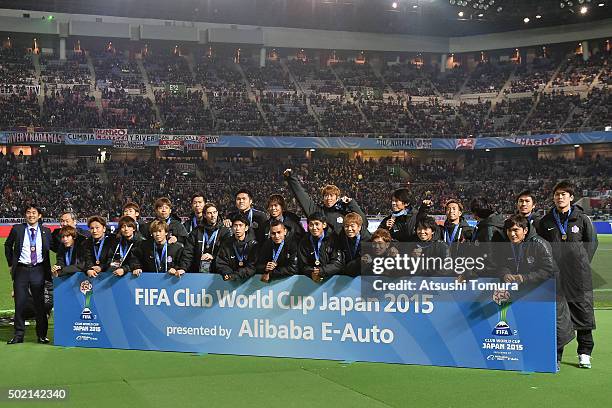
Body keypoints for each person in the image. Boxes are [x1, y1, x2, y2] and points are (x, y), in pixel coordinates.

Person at [537, 180, 598, 369]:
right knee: (557, 315)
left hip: (579, 277)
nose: (560, 197)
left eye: (564, 194)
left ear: (571, 197)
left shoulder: (582, 218)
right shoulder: (545, 221)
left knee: (583, 312)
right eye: (557, 194)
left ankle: (584, 353)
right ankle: (556, 354)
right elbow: (541, 247)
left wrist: (580, 264)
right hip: (555, 276)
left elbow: (592, 243)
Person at [501, 214, 574, 370]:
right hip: (529, 294)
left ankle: (556, 359)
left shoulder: (540, 244)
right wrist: (505, 273)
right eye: (508, 230)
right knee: (534, 326)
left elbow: (550, 270)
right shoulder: (511, 245)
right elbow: (504, 263)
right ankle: (534, 357)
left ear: (525, 230)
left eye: (515, 230)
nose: (512, 234)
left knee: (555, 326)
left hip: (550, 293)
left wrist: (524, 277)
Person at [4, 205, 52, 344]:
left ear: (39, 216)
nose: (31, 215)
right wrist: (10, 263)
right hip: (21, 270)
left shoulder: (46, 231)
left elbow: (55, 247)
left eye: (34, 212)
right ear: (25, 215)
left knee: (40, 304)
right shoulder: (17, 229)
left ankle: (42, 335)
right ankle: (18, 336)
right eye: (28, 212)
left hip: (38, 270)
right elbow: (7, 245)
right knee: (20, 303)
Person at [284, 168, 368, 235]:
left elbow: (364, 223)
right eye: (326, 195)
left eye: (331, 195)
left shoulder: (344, 213)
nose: (328, 198)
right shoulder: (316, 211)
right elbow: (302, 196)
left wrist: (351, 203)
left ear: (337, 197)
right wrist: (291, 178)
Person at [182, 202, 232, 273]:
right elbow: (188, 252)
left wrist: (213, 256)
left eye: (214, 212)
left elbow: (226, 252)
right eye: (209, 213)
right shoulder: (196, 231)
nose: (213, 215)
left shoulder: (225, 231)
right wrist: (183, 268)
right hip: (198, 271)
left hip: (218, 272)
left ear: (217, 213)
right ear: (204, 215)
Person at [297, 212, 344, 283]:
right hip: (313, 280)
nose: (314, 228)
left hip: (333, 282)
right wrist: (312, 272)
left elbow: (338, 263)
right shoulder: (304, 241)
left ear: (324, 225)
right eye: (311, 225)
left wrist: (322, 271)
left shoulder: (333, 239)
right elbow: (303, 265)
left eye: (317, 224)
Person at [216, 214, 258, 281]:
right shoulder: (226, 244)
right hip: (230, 281)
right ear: (232, 228)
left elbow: (253, 266)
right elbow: (221, 262)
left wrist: (236, 275)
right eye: (235, 225)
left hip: (249, 283)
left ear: (246, 228)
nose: (238, 228)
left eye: (241, 225)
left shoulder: (253, 245)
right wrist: (227, 273)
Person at [338, 212, 372, 276]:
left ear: (359, 227)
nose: (349, 229)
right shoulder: (341, 236)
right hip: (346, 273)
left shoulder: (368, 240)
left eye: (352, 226)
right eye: (346, 226)